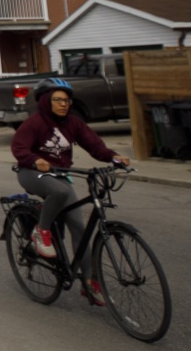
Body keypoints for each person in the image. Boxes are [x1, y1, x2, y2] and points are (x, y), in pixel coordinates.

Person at [12, 83, 130, 300]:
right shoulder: (34, 123)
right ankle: (42, 231)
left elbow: (95, 146)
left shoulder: (73, 123)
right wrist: (35, 159)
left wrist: (113, 157)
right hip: (32, 172)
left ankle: (88, 282)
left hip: (59, 175)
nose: (63, 104)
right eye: (58, 100)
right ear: (46, 101)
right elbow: (19, 148)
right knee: (59, 192)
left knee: (79, 229)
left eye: (66, 101)